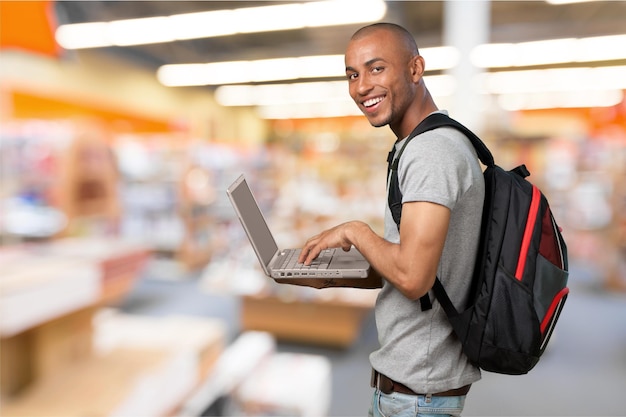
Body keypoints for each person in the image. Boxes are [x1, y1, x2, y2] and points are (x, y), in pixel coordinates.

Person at [274, 22, 484, 417]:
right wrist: (335, 275)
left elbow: (413, 277)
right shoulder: (423, 144)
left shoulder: (431, 152)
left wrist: (355, 231)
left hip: (419, 396)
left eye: (376, 69)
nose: (360, 86)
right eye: (352, 75)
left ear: (415, 69)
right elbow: (415, 269)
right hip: (415, 390)